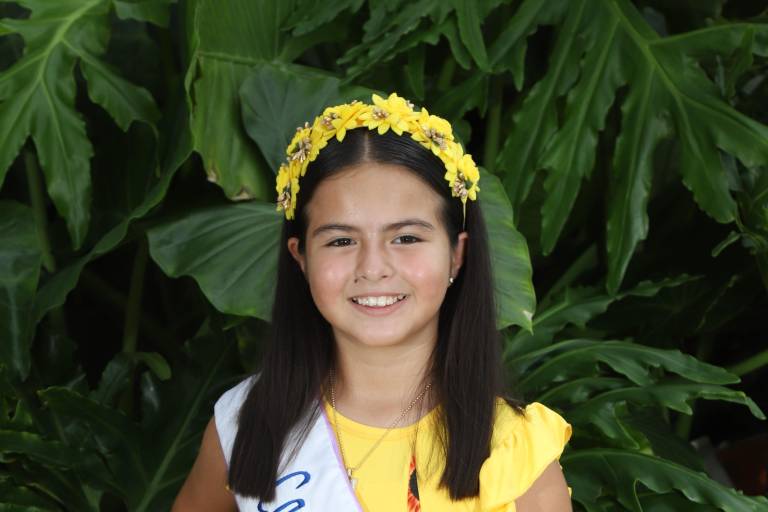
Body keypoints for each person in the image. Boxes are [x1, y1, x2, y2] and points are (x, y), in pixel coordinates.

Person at [172, 93, 572, 512]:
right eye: (341, 240)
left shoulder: (515, 448)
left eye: (406, 238)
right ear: (301, 258)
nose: (373, 267)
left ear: (457, 254)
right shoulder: (245, 425)